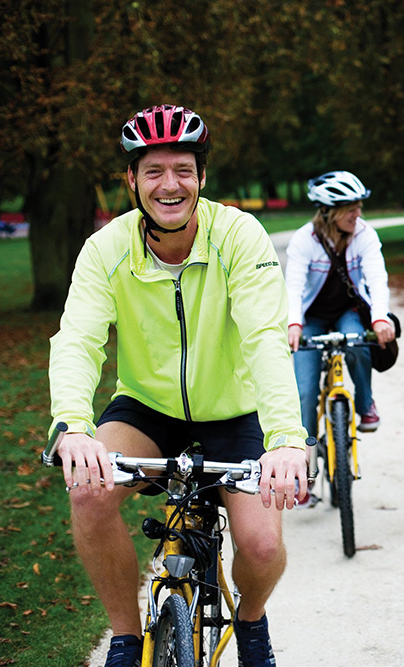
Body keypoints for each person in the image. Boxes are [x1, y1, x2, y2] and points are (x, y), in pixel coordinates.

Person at [47, 104, 310, 667]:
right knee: (88, 493)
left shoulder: (238, 235)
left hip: (237, 413)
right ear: (132, 180)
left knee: (262, 545)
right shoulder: (106, 249)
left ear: (202, 177)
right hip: (148, 408)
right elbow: (78, 339)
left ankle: (252, 619)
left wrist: (286, 438)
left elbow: (266, 336)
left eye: (183, 170)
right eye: (154, 171)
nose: (170, 185)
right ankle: (123, 636)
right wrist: (73, 425)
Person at [285, 171, 395, 438]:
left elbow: (377, 279)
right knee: (306, 391)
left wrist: (380, 318)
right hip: (312, 318)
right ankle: (305, 458)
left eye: (359, 207)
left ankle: (366, 404)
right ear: (328, 212)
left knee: (358, 345)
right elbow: (294, 286)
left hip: (348, 311)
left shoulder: (365, 235)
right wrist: (293, 323)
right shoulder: (304, 239)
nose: (358, 214)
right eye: (351, 209)